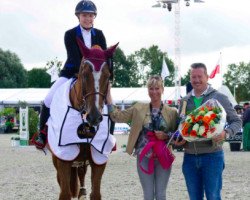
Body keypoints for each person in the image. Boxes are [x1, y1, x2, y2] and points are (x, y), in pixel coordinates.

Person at [34, 0, 109, 149]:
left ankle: (109, 137)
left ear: (94, 17)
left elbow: (105, 57)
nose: (87, 18)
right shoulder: (69, 34)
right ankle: (42, 134)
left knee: (109, 103)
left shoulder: (99, 35)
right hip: (71, 73)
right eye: (84, 15)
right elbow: (74, 57)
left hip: (95, 76)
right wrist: (82, 74)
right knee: (48, 99)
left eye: (90, 15)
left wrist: (107, 75)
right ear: (78, 17)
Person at [106, 75, 179, 200]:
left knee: (161, 195)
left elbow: (178, 135)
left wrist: (166, 135)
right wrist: (108, 95)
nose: (154, 92)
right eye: (151, 88)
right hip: (144, 157)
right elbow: (116, 116)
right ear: (147, 90)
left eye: (157, 88)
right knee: (148, 195)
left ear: (162, 89)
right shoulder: (138, 108)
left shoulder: (172, 112)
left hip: (163, 157)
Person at [176, 63, 242, 200]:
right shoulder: (184, 101)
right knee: (194, 197)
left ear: (207, 77)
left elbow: (236, 121)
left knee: (213, 197)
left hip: (212, 157)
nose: (197, 80)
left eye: (200, 76)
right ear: (190, 78)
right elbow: (180, 126)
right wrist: (179, 138)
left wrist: (226, 133)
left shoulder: (219, 97)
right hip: (189, 157)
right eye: (193, 77)